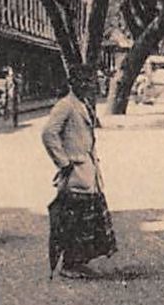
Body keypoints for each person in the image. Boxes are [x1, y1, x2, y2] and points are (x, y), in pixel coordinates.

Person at [42, 75, 117, 280]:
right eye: (84, 82)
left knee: (86, 218)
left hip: (87, 169)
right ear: (73, 84)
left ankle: (80, 261)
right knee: (73, 219)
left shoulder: (82, 104)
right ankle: (69, 264)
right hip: (75, 169)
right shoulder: (65, 105)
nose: (88, 86)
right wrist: (63, 162)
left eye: (90, 83)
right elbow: (49, 133)